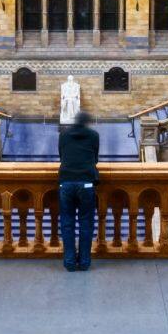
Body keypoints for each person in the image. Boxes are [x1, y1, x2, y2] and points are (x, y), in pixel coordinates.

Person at [57, 110, 100, 271]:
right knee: (86, 223)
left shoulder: (64, 135)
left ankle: (69, 262)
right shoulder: (94, 135)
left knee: (67, 223)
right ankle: (84, 262)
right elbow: (95, 158)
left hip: (66, 182)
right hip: (86, 183)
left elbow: (62, 156)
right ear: (87, 122)